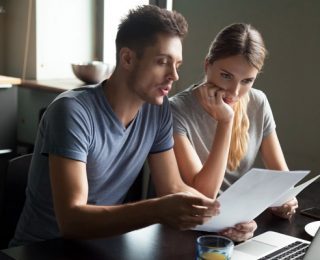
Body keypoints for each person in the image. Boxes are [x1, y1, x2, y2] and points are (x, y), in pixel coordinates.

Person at [10, 5, 220, 247]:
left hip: (101, 247)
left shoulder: (158, 109)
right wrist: (156, 210)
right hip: (42, 250)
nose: (174, 75)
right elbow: (71, 220)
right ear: (128, 58)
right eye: (163, 62)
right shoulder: (72, 111)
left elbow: (172, 186)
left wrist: (224, 219)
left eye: (177, 65)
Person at [170, 23, 298, 242]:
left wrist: (286, 202)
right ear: (207, 65)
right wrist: (226, 121)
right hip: (186, 230)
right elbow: (204, 195)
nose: (235, 92)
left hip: (236, 223)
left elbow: (282, 179)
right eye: (226, 76)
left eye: (247, 81)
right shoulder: (176, 110)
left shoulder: (258, 102)